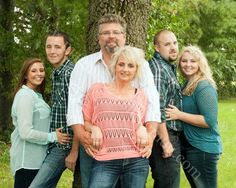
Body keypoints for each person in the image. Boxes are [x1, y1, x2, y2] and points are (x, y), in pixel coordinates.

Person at [67, 14, 172, 188]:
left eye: (116, 32)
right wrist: (84, 137)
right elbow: (74, 106)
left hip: (132, 148)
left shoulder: (141, 65)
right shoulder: (83, 65)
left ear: (124, 36)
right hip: (94, 145)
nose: (111, 36)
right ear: (98, 37)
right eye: (106, 32)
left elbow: (152, 101)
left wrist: (150, 133)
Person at [84, 46, 154, 188]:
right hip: (104, 159)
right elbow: (86, 121)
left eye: (130, 66)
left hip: (136, 159)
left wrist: (142, 128)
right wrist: (94, 128)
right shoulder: (96, 90)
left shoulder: (141, 96)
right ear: (114, 66)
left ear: (136, 70)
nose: (125, 69)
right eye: (121, 64)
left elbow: (146, 122)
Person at [165, 46, 223, 188]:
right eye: (184, 61)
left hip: (202, 148)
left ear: (200, 64)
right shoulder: (188, 84)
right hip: (191, 146)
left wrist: (179, 115)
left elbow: (209, 121)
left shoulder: (204, 86)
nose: (188, 64)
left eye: (193, 61)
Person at [10, 58, 67, 188]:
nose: (39, 73)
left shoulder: (36, 96)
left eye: (41, 70)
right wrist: (53, 136)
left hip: (38, 159)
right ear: (25, 75)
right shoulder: (25, 96)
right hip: (27, 161)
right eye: (33, 71)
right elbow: (25, 132)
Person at [29, 31, 75, 188]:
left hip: (64, 146)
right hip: (54, 142)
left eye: (57, 47)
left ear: (67, 50)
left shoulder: (70, 74)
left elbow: (78, 113)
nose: (52, 51)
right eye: (49, 46)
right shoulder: (57, 73)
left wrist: (73, 151)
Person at [148, 29, 182, 188]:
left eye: (175, 43)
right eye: (167, 44)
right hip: (163, 135)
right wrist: (166, 142)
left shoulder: (167, 67)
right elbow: (156, 110)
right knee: (168, 183)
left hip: (167, 134)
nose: (173, 47)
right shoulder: (159, 70)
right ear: (156, 47)